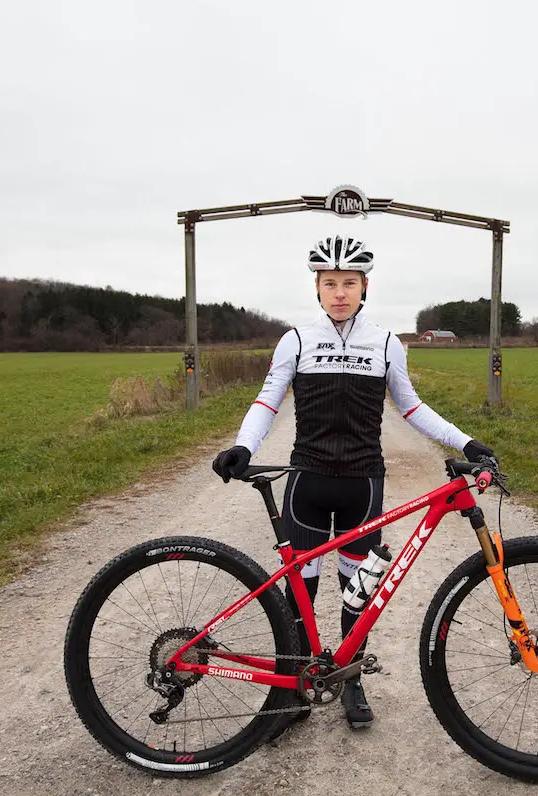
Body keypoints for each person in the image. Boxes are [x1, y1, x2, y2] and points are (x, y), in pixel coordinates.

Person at [212, 235, 494, 729]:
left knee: (358, 592)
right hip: (307, 482)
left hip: (363, 483)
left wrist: (465, 443)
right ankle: (293, 690)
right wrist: (244, 447)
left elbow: (411, 407)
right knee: (302, 590)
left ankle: (350, 678)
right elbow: (267, 401)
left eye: (349, 282)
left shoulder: (386, 343)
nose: (339, 292)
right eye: (329, 283)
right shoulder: (295, 339)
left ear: (365, 286)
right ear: (316, 288)